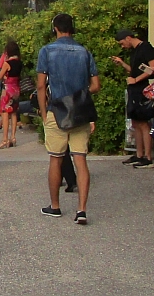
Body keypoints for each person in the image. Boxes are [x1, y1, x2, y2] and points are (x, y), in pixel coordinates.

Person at [37, 13, 100, 225]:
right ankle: (81, 210)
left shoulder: (47, 51)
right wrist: (79, 96)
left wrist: (45, 113)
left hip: (57, 111)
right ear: (72, 28)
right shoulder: (84, 52)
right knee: (80, 160)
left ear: (55, 28)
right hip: (80, 113)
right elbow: (96, 86)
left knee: (56, 158)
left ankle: (55, 206)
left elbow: (40, 84)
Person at [112, 29, 154, 169]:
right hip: (134, 88)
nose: (122, 46)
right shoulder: (135, 50)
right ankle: (139, 154)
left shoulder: (147, 48)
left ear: (128, 38)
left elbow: (153, 68)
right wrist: (123, 64)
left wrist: (136, 79)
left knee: (143, 123)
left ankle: (148, 157)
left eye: (122, 43)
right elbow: (134, 70)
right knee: (135, 122)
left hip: (141, 88)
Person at [0, 40, 22, 149]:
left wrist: (5, 76)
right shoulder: (20, 62)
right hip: (16, 89)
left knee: (5, 113)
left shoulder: (8, 63)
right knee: (14, 113)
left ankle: (5, 139)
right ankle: (13, 137)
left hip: (7, 90)